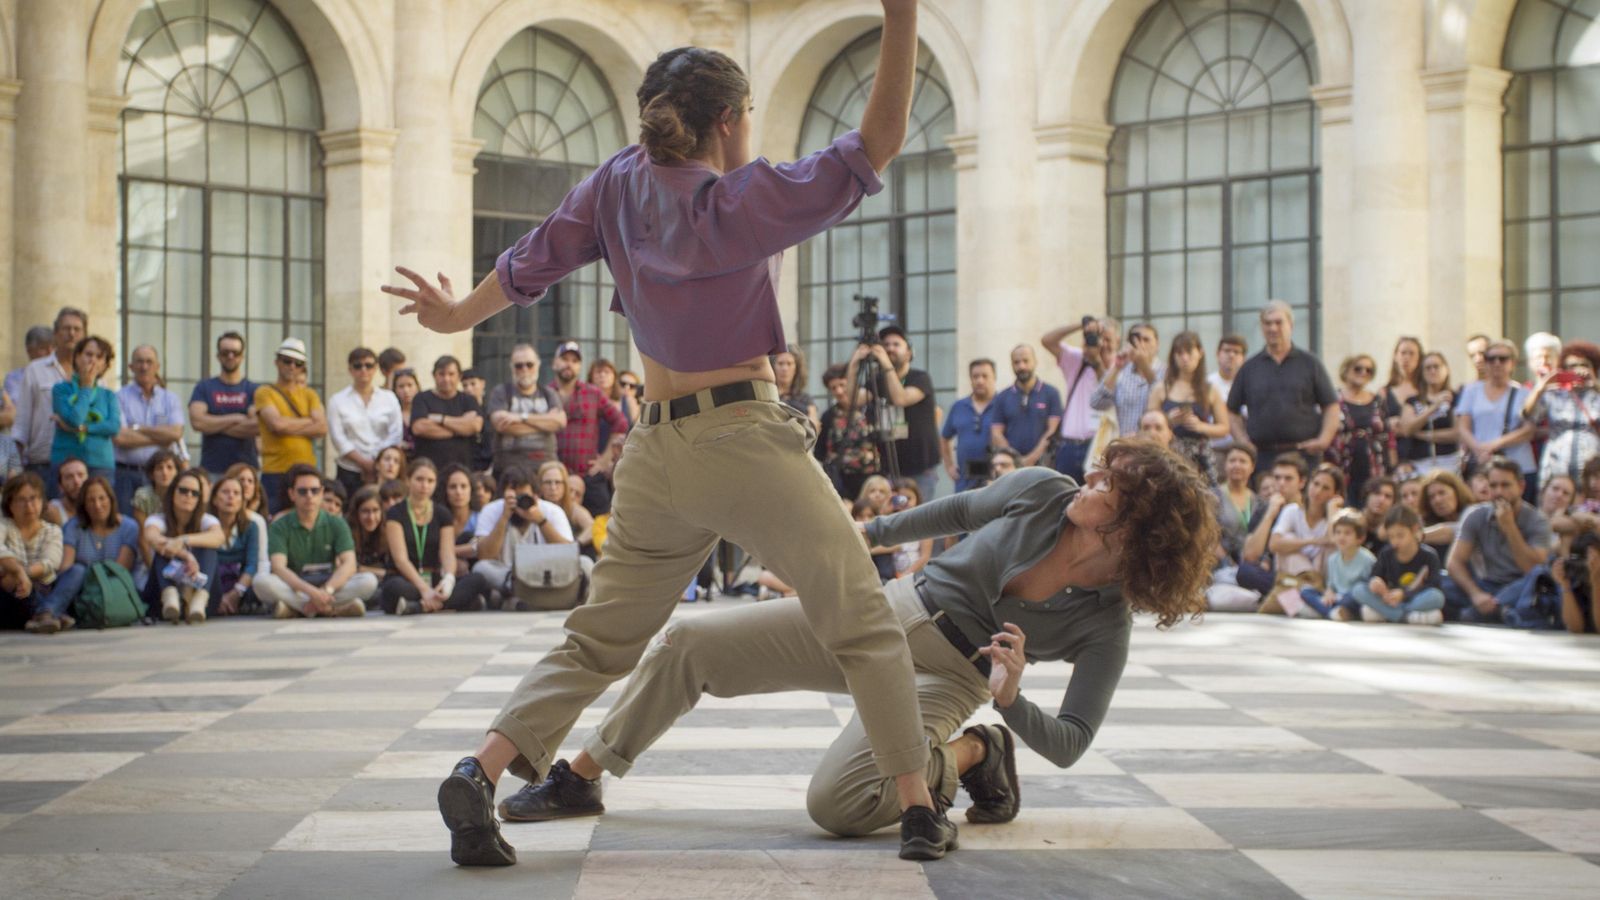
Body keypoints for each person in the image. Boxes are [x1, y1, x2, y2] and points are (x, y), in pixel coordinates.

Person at [382, 8, 954, 864]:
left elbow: (529, 260)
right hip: (746, 439)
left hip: (654, 453)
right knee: (862, 620)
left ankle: (482, 769)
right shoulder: (743, 197)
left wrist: (455, 313)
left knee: (599, 639)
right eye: (748, 114)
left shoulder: (614, 183)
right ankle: (915, 807)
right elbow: (880, 136)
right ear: (726, 121)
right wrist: (902, 14)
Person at [496, 442, 1218, 847]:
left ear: (1134, 527)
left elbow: (1071, 742)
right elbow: (962, 508)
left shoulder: (1106, 624)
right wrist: (863, 537)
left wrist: (1012, 702)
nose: (1090, 477)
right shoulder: (1044, 492)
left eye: (1110, 484)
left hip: (951, 680)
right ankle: (581, 777)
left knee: (837, 806)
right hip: (885, 612)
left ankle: (973, 753)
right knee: (690, 640)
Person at [1227, 300, 1340, 483]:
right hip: (1261, 457)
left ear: (1291, 325)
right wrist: (1243, 442)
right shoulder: (1249, 368)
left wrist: (1324, 439)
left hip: (1303, 456)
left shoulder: (1310, 364)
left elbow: (1331, 405)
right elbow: (1231, 410)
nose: (1273, 328)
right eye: (1267, 323)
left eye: (1278, 322)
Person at [253, 464, 376, 619]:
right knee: (261, 582)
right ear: (292, 494)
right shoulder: (280, 525)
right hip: (295, 584)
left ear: (321, 493)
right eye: (303, 491)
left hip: (329, 582)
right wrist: (313, 594)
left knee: (368, 581)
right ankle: (329, 609)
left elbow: (349, 564)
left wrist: (326, 591)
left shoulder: (337, 523)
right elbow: (279, 568)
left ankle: (297, 609)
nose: (309, 496)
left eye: (315, 491)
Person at [1443, 457, 1554, 623]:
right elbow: (1454, 562)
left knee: (1540, 576)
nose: (1499, 492)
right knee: (1441, 581)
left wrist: (1510, 528)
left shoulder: (1537, 520)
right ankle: (1497, 611)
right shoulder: (1476, 515)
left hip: (1521, 586)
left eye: (1505, 485)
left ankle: (1487, 611)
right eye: (1493, 486)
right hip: (1486, 585)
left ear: (1521, 487)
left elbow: (1532, 568)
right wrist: (1476, 594)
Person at [378, 458, 492, 615]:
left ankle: (419, 607)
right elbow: (400, 560)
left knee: (478, 579)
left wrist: (449, 580)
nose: (424, 485)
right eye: (419, 479)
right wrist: (424, 590)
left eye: (430, 481)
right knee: (395, 588)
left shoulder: (442, 513)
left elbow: (447, 553)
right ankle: (447, 604)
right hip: (405, 579)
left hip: (433, 577)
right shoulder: (396, 513)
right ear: (408, 480)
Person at [847, 325, 941, 502]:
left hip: (920, 469)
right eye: (886, 344)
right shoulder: (878, 381)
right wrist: (854, 363)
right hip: (889, 467)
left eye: (896, 344)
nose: (890, 348)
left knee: (919, 521)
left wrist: (886, 364)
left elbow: (901, 398)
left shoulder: (920, 378)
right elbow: (853, 399)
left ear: (909, 352)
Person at [473, 466, 576, 606]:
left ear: (535, 495)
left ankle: (519, 598)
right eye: (515, 497)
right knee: (481, 567)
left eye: (524, 496)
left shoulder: (551, 511)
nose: (519, 502)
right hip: (509, 576)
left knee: (586, 563)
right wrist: (504, 518)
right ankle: (519, 590)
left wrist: (541, 521)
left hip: (549, 573)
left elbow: (569, 553)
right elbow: (485, 555)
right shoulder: (492, 510)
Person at [14, 308, 88, 489]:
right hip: (42, 464)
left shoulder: (94, 375)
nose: (71, 333)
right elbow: (22, 423)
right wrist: (15, 469)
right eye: (66, 328)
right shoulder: (35, 370)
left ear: (85, 334)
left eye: (77, 329)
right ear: (55, 333)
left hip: (82, 467)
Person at [141, 468, 224, 624]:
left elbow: (218, 537)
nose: (189, 496)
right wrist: (187, 555)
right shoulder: (158, 519)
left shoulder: (206, 520)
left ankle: (199, 599)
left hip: (199, 594)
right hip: (162, 596)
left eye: (195, 493)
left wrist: (183, 539)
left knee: (208, 548)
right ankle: (170, 596)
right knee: (164, 547)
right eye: (183, 490)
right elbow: (152, 537)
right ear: (173, 493)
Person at [1146, 331, 1229, 484]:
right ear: (1173, 357)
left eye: (1189, 352)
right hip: (1168, 453)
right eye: (1179, 353)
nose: (1184, 358)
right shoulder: (1161, 388)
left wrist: (1201, 426)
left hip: (1201, 455)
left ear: (1200, 353)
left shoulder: (1210, 389)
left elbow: (1224, 428)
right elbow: (1146, 425)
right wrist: (1167, 421)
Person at [1455, 339, 1536, 494]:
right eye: (1491, 359)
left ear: (1512, 363)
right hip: (1482, 466)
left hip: (1518, 465)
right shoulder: (1471, 391)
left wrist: (1493, 445)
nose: (1497, 363)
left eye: (1503, 359)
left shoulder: (1523, 393)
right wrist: (1479, 449)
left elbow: (1529, 430)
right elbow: (1463, 427)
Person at [1040, 316, 1116, 482]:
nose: (1101, 343)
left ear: (1117, 341)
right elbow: (1047, 340)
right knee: (1066, 499)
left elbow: (1107, 392)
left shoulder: (1120, 367)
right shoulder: (1077, 359)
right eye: (1097, 337)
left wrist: (1096, 362)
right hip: (1069, 445)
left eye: (1107, 338)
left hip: (1099, 447)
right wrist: (1081, 325)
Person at [547, 341, 629, 493]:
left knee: (601, 517)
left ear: (580, 366)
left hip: (589, 475)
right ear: (554, 363)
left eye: (574, 361)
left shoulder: (593, 393)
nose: (569, 364)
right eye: (564, 359)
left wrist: (605, 460)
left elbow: (621, 422)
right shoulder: (545, 394)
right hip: (553, 478)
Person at [111, 345, 186, 512]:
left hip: (161, 477)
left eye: (149, 362)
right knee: (129, 525)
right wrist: (161, 436)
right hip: (127, 475)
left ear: (157, 366)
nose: (144, 367)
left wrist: (138, 428)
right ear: (131, 367)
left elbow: (176, 433)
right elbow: (121, 438)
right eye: (139, 362)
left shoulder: (170, 399)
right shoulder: (118, 397)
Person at [255, 339, 326, 514]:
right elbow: (276, 425)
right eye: (287, 361)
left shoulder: (310, 394)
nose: (292, 366)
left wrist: (286, 423)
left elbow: (322, 428)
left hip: (306, 471)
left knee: (307, 520)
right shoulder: (265, 392)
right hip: (275, 471)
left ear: (303, 367)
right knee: (272, 521)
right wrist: (309, 421)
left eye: (298, 363)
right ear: (277, 362)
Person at [52, 476, 140, 617]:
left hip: (113, 589)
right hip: (81, 591)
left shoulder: (129, 527)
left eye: (102, 498)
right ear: (84, 504)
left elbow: (120, 570)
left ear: (111, 499)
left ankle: (50, 613)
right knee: (76, 571)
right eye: (91, 500)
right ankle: (50, 614)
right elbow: (65, 568)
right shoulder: (74, 526)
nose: (97, 505)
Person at [1522, 340, 1600, 493]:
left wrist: (1595, 384)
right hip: (1556, 464)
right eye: (1571, 366)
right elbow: (1527, 415)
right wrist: (1542, 386)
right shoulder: (1554, 394)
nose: (1578, 370)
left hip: (1590, 466)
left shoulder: (1596, 395)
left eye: (1584, 365)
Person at [328, 346, 405, 498]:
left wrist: (377, 462)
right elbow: (338, 439)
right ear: (350, 369)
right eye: (358, 366)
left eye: (368, 365)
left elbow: (396, 433)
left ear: (375, 368)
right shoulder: (337, 400)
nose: (363, 370)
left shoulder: (389, 398)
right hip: (349, 470)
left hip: (384, 471)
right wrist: (365, 463)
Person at [1352, 506, 1446, 625]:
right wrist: (1375, 582)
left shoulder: (1429, 556)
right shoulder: (1386, 554)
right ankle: (1405, 616)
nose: (1395, 541)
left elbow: (1434, 585)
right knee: (1358, 589)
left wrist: (1404, 595)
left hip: (1413, 599)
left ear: (1414, 530)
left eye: (1400, 536)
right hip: (1389, 600)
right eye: (1391, 537)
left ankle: (1393, 614)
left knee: (1437, 597)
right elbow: (1375, 576)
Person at [0, 472, 66, 633]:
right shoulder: (4, 526)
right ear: (10, 504)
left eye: (34, 498)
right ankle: (48, 615)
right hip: (10, 597)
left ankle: (44, 613)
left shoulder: (52, 530)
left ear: (42, 501)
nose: (29, 506)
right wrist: (19, 574)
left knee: (76, 571)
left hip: (42, 588)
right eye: (21, 500)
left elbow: (51, 563)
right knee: (10, 579)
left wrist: (23, 574)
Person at [189, 332, 260, 479]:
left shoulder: (253, 389)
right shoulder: (204, 387)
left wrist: (214, 424)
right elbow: (197, 422)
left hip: (246, 472)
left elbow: (257, 426)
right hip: (211, 469)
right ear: (218, 356)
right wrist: (237, 418)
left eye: (235, 352)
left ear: (242, 356)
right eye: (225, 352)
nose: (230, 356)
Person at [487, 344, 566, 476]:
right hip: (509, 468)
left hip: (545, 468)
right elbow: (501, 425)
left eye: (529, 364)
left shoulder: (549, 393)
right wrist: (545, 424)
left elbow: (560, 422)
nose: (524, 369)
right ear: (512, 368)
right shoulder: (501, 392)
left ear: (538, 365)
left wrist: (521, 417)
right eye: (519, 365)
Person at [49, 336, 119, 484]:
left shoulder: (108, 395)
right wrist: (86, 387)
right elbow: (75, 419)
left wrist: (82, 428)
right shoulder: (61, 390)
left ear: (105, 364)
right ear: (77, 357)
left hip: (100, 464)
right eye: (88, 354)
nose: (93, 360)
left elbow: (113, 426)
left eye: (99, 357)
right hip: (66, 461)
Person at [1328, 353, 1392, 505]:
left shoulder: (1377, 400)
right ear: (1346, 370)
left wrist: (1390, 466)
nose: (1363, 373)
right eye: (1358, 369)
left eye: (1368, 370)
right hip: (1343, 465)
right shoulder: (1333, 399)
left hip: (1373, 466)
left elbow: (1386, 435)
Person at [411, 356, 484, 483]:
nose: (446, 379)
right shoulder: (421, 398)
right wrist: (461, 427)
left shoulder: (468, 400)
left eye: (451, 374)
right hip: (430, 472)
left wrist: (441, 419)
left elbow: (475, 426)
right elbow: (419, 428)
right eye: (441, 374)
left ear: (459, 376)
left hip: (463, 471)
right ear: (434, 375)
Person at [989, 345, 1061, 472]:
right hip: (1011, 469)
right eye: (1016, 362)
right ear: (1011, 365)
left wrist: (1031, 459)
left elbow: (1052, 431)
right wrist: (1014, 459)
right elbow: (996, 433)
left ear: (1035, 361)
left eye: (1026, 361)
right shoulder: (1002, 397)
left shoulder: (1051, 393)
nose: (1021, 366)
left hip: (1044, 466)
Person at [1294, 509, 1375, 622]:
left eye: (1347, 533)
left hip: (1352, 599)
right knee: (1305, 591)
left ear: (1360, 538)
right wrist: (1329, 593)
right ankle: (1333, 612)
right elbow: (1331, 585)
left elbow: (1367, 589)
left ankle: (1326, 611)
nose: (1341, 537)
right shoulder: (1332, 559)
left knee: (1353, 596)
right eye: (1338, 532)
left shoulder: (1368, 559)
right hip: (1337, 598)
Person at [816, 362, 881, 500]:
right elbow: (820, 452)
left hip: (871, 479)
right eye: (833, 388)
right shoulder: (829, 416)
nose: (839, 391)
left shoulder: (870, 410)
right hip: (841, 481)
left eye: (842, 385)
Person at [208, 473, 270, 617]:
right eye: (225, 492)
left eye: (236, 493)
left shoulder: (251, 527)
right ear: (215, 499)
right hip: (212, 586)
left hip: (241, 586)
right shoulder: (205, 525)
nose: (231, 497)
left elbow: (252, 564)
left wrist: (235, 594)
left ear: (242, 501)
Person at [1090, 322, 1161, 438]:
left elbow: (1164, 399)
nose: (1141, 344)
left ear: (1157, 345)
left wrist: (1144, 365)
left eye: (1146, 340)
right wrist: (1116, 367)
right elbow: (1096, 403)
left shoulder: (1166, 372)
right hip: (1127, 445)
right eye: (1135, 341)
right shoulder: (1121, 372)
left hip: (1155, 447)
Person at [1395, 352, 1460, 473]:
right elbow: (1407, 429)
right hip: (1418, 463)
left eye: (1436, 366)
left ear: (1446, 370)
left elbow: (1457, 433)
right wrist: (1434, 407)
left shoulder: (1456, 398)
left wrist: (1420, 434)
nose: (1432, 371)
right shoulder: (1412, 401)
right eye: (1428, 368)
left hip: (1449, 461)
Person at [942, 359, 996, 493]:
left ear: (994, 377)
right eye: (975, 376)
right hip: (965, 481)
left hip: (995, 480)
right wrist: (949, 466)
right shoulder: (958, 406)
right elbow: (944, 438)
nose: (980, 381)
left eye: (985, 376)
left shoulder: (1002, 404)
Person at [536, 461, 594, 555]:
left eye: (558, 482)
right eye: (548, 482)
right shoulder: (534, 507)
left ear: (565, 485)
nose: (553, 487)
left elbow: (592, 527)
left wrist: (576, 544)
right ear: (540, 485)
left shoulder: (572, 508)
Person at [1208, 334, 1247, 465]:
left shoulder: (1249, 384)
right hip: (1215, 449)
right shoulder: (1207, 384)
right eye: (1227, 351)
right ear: (1218, 354)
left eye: (1236, 352)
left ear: (1243, 358)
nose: (1231, 355)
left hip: (1244, 450)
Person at [1551, 530, 1598, 634]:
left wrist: (1596, 582)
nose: (1589, 566)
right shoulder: (1576, 581)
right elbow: (1575, 628)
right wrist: (1565, 585)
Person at [1382, 336, 1424, 450]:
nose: (1407, 357)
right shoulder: (1384, 392)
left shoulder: (1426, 390)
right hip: (1395, 453)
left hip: (1422, 454)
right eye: (1403, 353)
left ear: (1420, 358)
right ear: (1395, 356)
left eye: (1412, 353)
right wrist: (1387, 423)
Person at [1419, 468, 1474, 552]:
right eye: (1431, 497)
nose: (1437, 500)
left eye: (1442, 493)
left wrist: (1416, 536)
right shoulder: (1427, 526)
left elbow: (1453, 531)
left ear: (1456, 491)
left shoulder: (1474, 513)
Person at [441, 464, 480, 576]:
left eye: (463, 486)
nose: (458, 492)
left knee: (467, 537)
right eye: (453, 487)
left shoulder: (480, 517)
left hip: (473, 570)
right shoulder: (438, 517)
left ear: (471, 489)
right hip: (444, 571)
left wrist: (448, 552)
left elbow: (480, 546)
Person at [347, 485, 390, 583]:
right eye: (365, 511)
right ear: (356, 513)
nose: (371, 517)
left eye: (375, 511)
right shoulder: (346, 532)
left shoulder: (388, 531)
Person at [133, 449, 181, 528]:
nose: (165, 472)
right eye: (159, 468)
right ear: (152, 474)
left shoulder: (183, 494)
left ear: (177, 473)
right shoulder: (143, 496)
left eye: (169, 467)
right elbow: (143, 531)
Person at [773, 345, 818, 427]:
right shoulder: (767, 396)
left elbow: (814, 428)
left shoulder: (806, 400)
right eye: (780, 363)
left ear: (796, 368)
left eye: (789, 364)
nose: (784, 368)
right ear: (773, 367)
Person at [44, 458, 88, 527]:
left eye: (80, 475)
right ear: (60, 486)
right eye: (69, 477)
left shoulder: (97, 507)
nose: (76, 481)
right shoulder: (52, 510)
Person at [391, 368, 421, 454]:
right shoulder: (393, 414)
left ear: (417, 387)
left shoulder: (426, 411)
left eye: (410, 385)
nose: (406, 390)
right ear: (395, 390)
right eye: (401, 386)